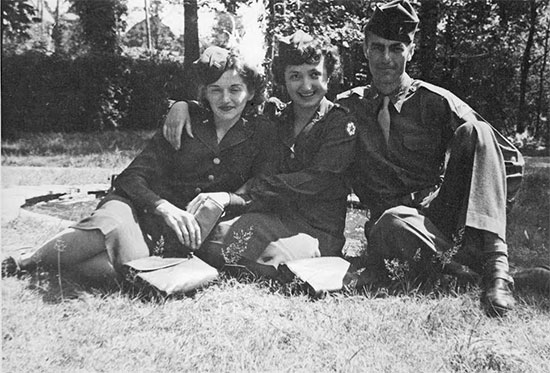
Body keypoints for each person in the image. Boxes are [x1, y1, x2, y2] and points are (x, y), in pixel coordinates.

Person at [2, 46, 278, 282]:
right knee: (108, 228)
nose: (225, 99)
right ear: (204, 93)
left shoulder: (263, 134)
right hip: (139, 207)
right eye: (215, 90)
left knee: (121, 270)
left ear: (251, 92)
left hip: (172, 234)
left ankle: (53, 264)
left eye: (235, 89)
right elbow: (131, 178)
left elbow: (261, 193)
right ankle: (27, 261)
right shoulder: (185, 120)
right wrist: (163, 207)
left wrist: (225, 198)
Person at [335, 0, 523, 317]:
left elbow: (508, 160)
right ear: (365, 47)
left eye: (396, 48)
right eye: (378, 47)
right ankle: (461, 265)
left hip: (438, 215)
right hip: (394, 226)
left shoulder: (434, 101)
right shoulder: (347, 107)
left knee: (475, 131)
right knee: (391, 221)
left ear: (411, 49)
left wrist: (477, 217)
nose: (385, 59)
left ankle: (495, 266)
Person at [163, 31, 358, 278]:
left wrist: (242, 193)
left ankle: (311, 269)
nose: (306, 86)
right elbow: (226, 103)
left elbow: (317, 180)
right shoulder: (276, 114)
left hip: (317, 230)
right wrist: (180, 106)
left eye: (314, 74)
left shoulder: (339, 122)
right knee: (215, 237)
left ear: (328, 76)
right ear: (283, 79)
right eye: (295, 76)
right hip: (271, 218)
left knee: (232, 248)